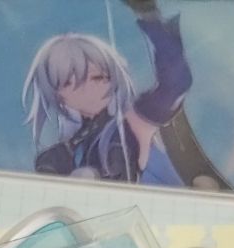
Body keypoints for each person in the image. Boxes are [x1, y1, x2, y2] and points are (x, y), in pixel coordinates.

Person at [22, 0, 192, 185]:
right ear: (58, 95)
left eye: (97, 77)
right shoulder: (66, 152)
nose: (88, 87)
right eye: (70, 83)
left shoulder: (130, 123)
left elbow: (175, 82)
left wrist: (149, 16)